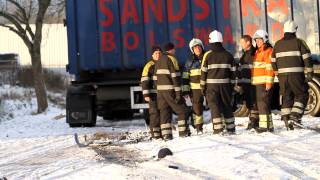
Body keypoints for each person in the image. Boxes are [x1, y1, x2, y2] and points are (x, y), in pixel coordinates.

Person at [271, 20, 313, 130]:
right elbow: (307, 58)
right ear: (294, 30)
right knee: (302, 94)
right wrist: (309, 72)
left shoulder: (277, 44)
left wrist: (277, 73)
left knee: (287, 97)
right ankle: (295, 117)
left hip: (282, 77)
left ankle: (286, 119)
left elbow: (273, 60)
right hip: (296, 75)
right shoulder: (299, 42)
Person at [200, 30, 236, 134]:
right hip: (225, 86)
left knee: (214, 106)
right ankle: (231, 128)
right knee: (227, 106)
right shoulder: (229, 55)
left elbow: (203, 73)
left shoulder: (207, 55)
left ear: (210, 41)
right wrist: (232, 86)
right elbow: (233, 73)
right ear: (221, 40)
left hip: (211, 87)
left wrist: (202, 87)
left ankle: (218, 129)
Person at [155, 42, 189, 140]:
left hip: (160, 92)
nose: (175, 51)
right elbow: (176, 77)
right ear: (171, 49)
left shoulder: (158, 60)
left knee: (165, 112)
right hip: (170, 91)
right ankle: (183, 133)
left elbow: (155, 78)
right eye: (174, 49)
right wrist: (178, 94)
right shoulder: (172, 59)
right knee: (182, 111)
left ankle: (166, 135)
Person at [252, 29, 275, 133]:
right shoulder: (258, 51)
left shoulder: (268, 51)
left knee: (263, 105)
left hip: (264, 83)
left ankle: (264, 127)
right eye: (256, 40)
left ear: (264, 40)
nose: (257, 42)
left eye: (259, 40)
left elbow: (270, 68)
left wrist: (269, 83)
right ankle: (269, 126)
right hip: (259, 83)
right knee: (263, 104)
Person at [182, 38, 206, 133]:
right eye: (195, 48)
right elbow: (185, 78)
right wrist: (185, 91)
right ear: (192, 50)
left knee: (215, 106)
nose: (197, 49)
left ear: (202, 47)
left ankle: (219, 126)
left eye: (199, 47)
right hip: (195, 89)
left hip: (208, 87)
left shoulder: (207, 57)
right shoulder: (189, 62)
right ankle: (199, 128)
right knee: (197, 109)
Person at [141, 46, 162, 139]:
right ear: (152, 55)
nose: (158, 55)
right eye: (156, 53)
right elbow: (144, 81)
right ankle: (155, 134)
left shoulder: (163, 64)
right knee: (154, 114)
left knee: (163, 113)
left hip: (163, 94)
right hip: (153, 95)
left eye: (159, 53)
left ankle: (162, 133)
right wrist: (146, 94)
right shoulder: (149, 65)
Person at [238, 35, 259, 130]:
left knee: (254, 104)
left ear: (248, 42)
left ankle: (254, 122)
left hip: (253, 84)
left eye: (242, 42)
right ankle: (252, 121)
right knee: (249, 104)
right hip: (245, 85)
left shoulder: (254, 53)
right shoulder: (244, 55)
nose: (241, 45)